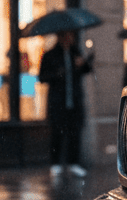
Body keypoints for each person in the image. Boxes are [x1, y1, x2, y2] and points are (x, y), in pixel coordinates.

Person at [39, 30, 93, 178]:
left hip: (74, 101)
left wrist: (85, 61)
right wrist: (58, 73)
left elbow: (87, 70)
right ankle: (55, 164)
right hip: (58, 101)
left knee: (74, 132)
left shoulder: (76, 53)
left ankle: (73, 163)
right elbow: (42, 76)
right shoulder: (50, 55)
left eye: (71, 35)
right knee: (57, 132)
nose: (69, 38)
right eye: (67, 35)